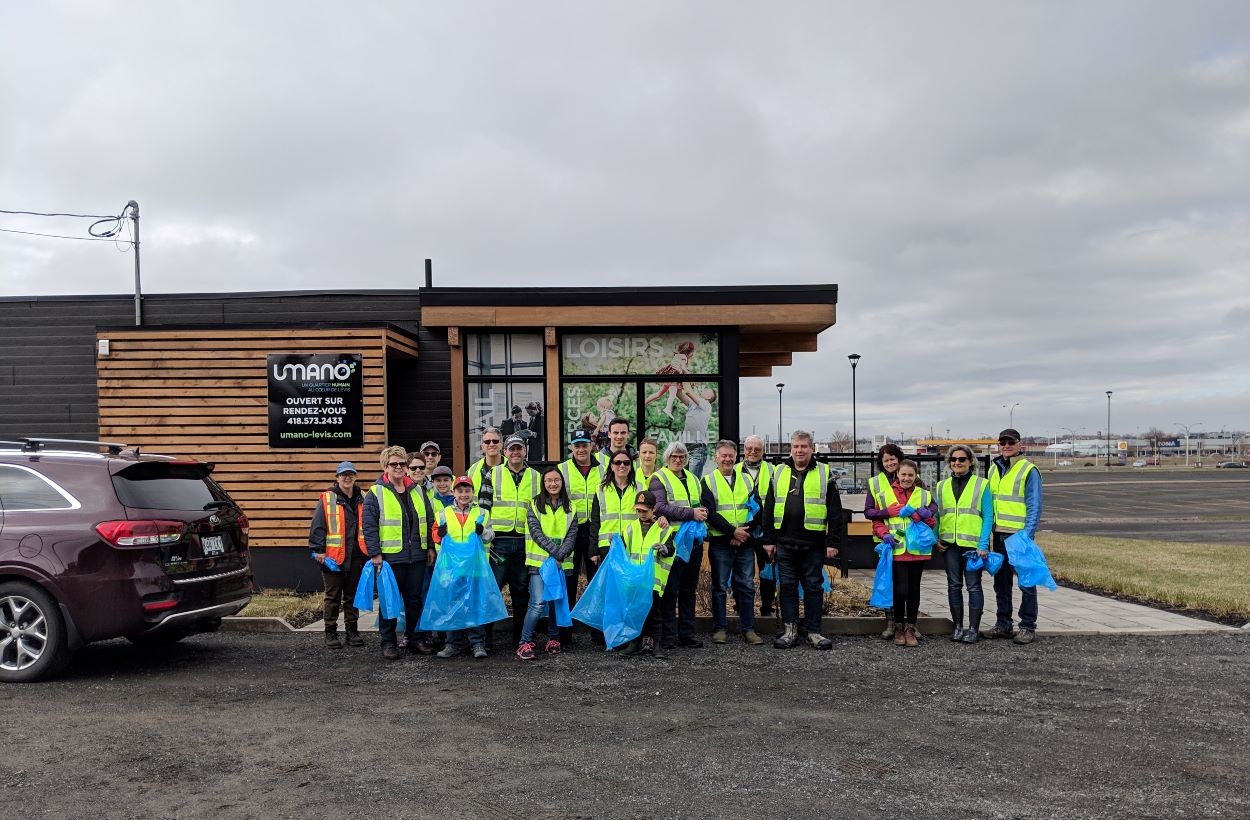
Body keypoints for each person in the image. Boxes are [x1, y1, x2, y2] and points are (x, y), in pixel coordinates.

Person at [763, 430, 844, 650]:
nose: (799, 450)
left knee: (813, 587)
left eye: (804, 446)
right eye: (796, 446)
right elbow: (769, 507)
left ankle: (814, 631)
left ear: (812, 448)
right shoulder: (778, 472)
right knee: (787, 586)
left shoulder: (824, 473)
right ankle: (790, 631)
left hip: (813, 545)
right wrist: (768, 539)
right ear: (791, 448)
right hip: (784, 543)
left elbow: (835, 512)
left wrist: (833, 543)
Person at [362, 445, 436, 660]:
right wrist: (375, 554)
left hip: (417, 556)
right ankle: (388, 643)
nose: (398, 467)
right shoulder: (376, 492)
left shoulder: (418, 489)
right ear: (385, 466)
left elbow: (428, 520)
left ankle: (415, 639)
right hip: (390, 557)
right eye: (393, 464)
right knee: (389, 601)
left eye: (401, 464)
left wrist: (430, 546)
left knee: (414, 601)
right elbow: (369, 526)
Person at [980, 428, 1044, 645]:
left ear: (1019, 445)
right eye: (1003, 443)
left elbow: (1034, 505)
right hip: (998, 535)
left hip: (1019, 536)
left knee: (1026, 583)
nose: (1006, 446)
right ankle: (1003, 624)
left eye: (1010, 442)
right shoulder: (994, 469)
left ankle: (1027, 626)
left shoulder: (1029, 470)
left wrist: (1027, 535)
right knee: (1001, 582)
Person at [871, 459, 938, 648]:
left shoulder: (924, 495)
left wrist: (924, 517)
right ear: (897, 474)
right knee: (900, 591)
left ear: (916, 476)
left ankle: (910, 627)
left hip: (918, 550)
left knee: (914, 590)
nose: (906, 478)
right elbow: (877, 521)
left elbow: (932, 521)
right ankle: (899, 627)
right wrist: (884, 534)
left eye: (910, 475)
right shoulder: (884, 496)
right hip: (898, 549)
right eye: (903, 474)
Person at [702, 440, 763, 646]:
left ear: (736, 457)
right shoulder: (708, 481)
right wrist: (732, 532)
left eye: (731, 455)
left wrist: (743, 532)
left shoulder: (747, 480)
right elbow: (709, 513)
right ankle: (720, 629)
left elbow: (756, 508)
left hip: (744, 542)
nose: (727, 459)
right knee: (719, 587)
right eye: (723, 455)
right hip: (721, 542)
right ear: (716, 457)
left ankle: (749, 629)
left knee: (746, 585)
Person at [650, 440, 708, 649]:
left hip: (692, 541)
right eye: (674, 456)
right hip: (671, 541)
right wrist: (692, 513)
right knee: (670, 589)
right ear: (667, 458)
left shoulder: (693, 478)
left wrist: (701, 512)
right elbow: (659, 507)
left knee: (688, 589)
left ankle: (687, 633)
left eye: (682, 456)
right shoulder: (658, 478)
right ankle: (668, 635)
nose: (678, 459)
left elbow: (696, 504)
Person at [517, 467, 578, 660]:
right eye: (548, 480)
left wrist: (560, 555)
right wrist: (556, 552)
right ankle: (524, 642)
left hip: (560, 563)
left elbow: (572, 534)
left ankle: (553, 639)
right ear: (543, 484)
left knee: (554, 602)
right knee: (537, 603)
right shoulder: (534, 504)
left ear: (562, 482)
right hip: (539, 562)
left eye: (556, 480)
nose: (553, 484)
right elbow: (536, 533)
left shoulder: (571, 507)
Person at [307, 461, 369, 649]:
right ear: (337, 478)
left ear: (355, 476)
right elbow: (318, 525)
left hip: (357, 556)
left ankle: (352, 632)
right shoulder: (327, 499)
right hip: (333, 557)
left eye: (350, 474)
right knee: (333, 596)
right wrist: (318, 550)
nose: (347, 477)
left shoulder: (364, 497)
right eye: (343, 475)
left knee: (352, 596)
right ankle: (330, 633)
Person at [487, 434, 541, 647]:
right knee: (493, 590)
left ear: (525, 451)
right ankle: (486, 638)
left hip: (524, 542)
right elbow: (483, 506)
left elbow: (540, 510)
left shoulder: (536, 477)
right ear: (505, 452)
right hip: (498, 543)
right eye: (512, 449)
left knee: (520, 592)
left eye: (519, 448)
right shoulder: (494, 473)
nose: (515, 452)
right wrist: (486, 538)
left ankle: (520, 638)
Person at [935, 445, 992, 643]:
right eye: (953, 459)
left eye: (962, 459)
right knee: (953, 585)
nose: (957, 462)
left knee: (974, 586)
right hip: (949, 544)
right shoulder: (941, 486)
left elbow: (988, 517)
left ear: (970, 462)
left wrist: (983, 544)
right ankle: (958, 626)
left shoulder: (982, 485)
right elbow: (937, 514)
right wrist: (936, 537)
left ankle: (973, 629)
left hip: (973, 546)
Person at [434, 475, 493, 659]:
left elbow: (490, 536)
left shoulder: (482, 513)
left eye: (467, 490)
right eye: (460, 490)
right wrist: (438, 534)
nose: (464, 494)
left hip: (474, 569)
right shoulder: (443, 514)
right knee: (453, 606)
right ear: (454, 492)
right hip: (451, 569)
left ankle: (477, 643)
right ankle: (453, 643)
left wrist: (483, 531)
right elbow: (436, 539)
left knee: (474, 605)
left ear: (473, 493)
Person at [617, 491, 677, 658]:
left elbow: (671, 549)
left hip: (653, 579)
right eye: (638, 510)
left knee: (654, 613)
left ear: (654, 509)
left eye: (645, 510)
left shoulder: (663, 529)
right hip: (635, 580)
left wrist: (664, 548)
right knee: (635, 612)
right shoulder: (629, 529)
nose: (641, 514)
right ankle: (634, 643)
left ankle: (657, 645)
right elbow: (623, 551)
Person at [559, 429, 606, 625]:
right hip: (571, 531)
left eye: (584, 445)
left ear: (591, 446)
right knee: (568, 580)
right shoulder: (562, 469)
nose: (580, 449)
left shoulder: (604, 468)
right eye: (577, 446)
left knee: (596, 581)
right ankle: (565, 630)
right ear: (571, 447)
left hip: (595, 530)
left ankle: (597, 629)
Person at [864, 442, 906, 639]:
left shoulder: (910, 476)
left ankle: (907, 623)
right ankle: (890, 623)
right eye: (886, 460)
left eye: (892, 459)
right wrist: (886, 512)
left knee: (908, 584)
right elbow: (869, 511)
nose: (890, 463)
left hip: (909, 541)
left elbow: (926, 503)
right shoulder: (875, 482)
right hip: (885, 540)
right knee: (888, 582)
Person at [738, 435, 776, 617]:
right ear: (744, 449)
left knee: (767, 572)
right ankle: (741, 608)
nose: (752, 452)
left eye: (757, 449)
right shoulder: (735, 469)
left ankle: (767, 608)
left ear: (763, 452)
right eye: (749, 448)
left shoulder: (773, 470)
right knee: (743, 573)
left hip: (766, 531)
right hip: (743, 530)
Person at [590, 449, 644, 561]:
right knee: (611, 578)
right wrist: (593, 549)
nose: (622, 465)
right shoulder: (601, 489)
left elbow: (646, 516)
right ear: (612, 466)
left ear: (631, 466)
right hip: (607, 544)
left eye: (626, 463)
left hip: (633, 543)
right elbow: (595, 521)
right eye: (618, 462)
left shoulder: (640, 488)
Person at [644, 340, 696, 417]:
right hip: (673, 378)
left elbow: (677, 366)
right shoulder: (684, 357)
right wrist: (691, 378)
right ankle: (668, 409)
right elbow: (683, 368)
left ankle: (645, 402)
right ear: (689, 352)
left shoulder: (677, 356)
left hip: (669, 376)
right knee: (672, 394)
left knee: (659, 393)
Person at [678, 385, 715, 478]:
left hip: (697, 450)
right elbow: (679, 394)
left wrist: (684, 373)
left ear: (709, 397)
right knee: (683, 481)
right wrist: (678, 385)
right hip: (685, 449)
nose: (704, 389)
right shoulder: (693, 405)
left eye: (707, 389)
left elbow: (688, 392)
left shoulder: (706, 405)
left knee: (693, 482)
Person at [468, 427, 504, 508]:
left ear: (501, 445)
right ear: (482, 446)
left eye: (495, 441)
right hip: (478, 519)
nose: (491, 444)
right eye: (487, 442)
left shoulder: (510, 467)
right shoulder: (472, 471)